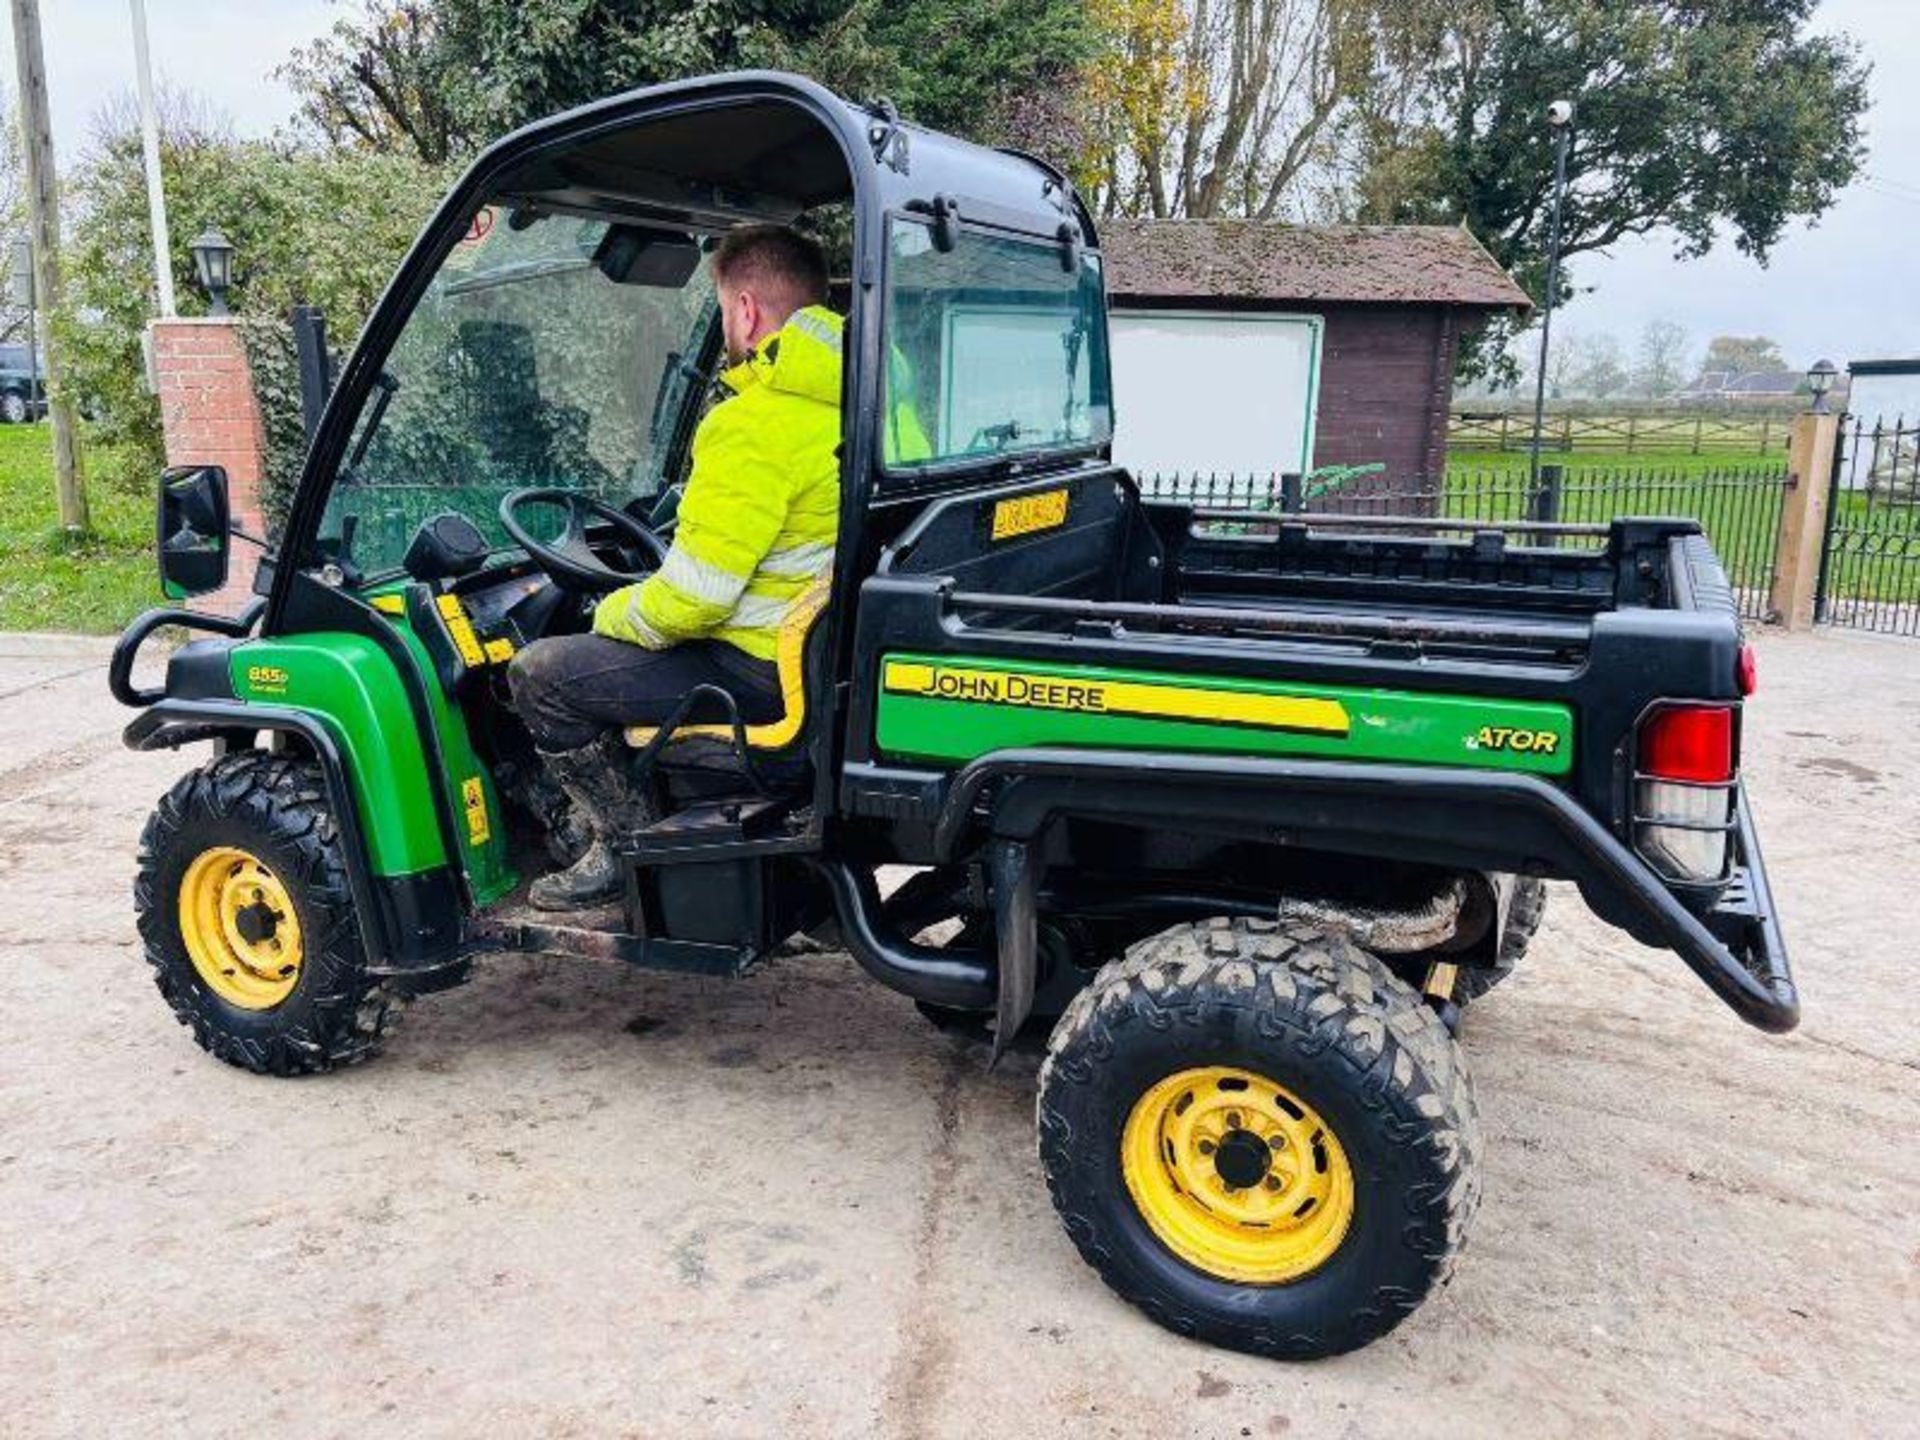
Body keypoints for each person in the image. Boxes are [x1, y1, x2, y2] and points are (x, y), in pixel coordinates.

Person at [507, 224, 843, 911]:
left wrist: (611, 610)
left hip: (755, 673)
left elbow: (696, 600)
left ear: (745, 311)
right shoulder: (868, 403)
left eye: (723, 311)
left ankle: (620, 849)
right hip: (821, 661)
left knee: (540, 675)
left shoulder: (751, 426)